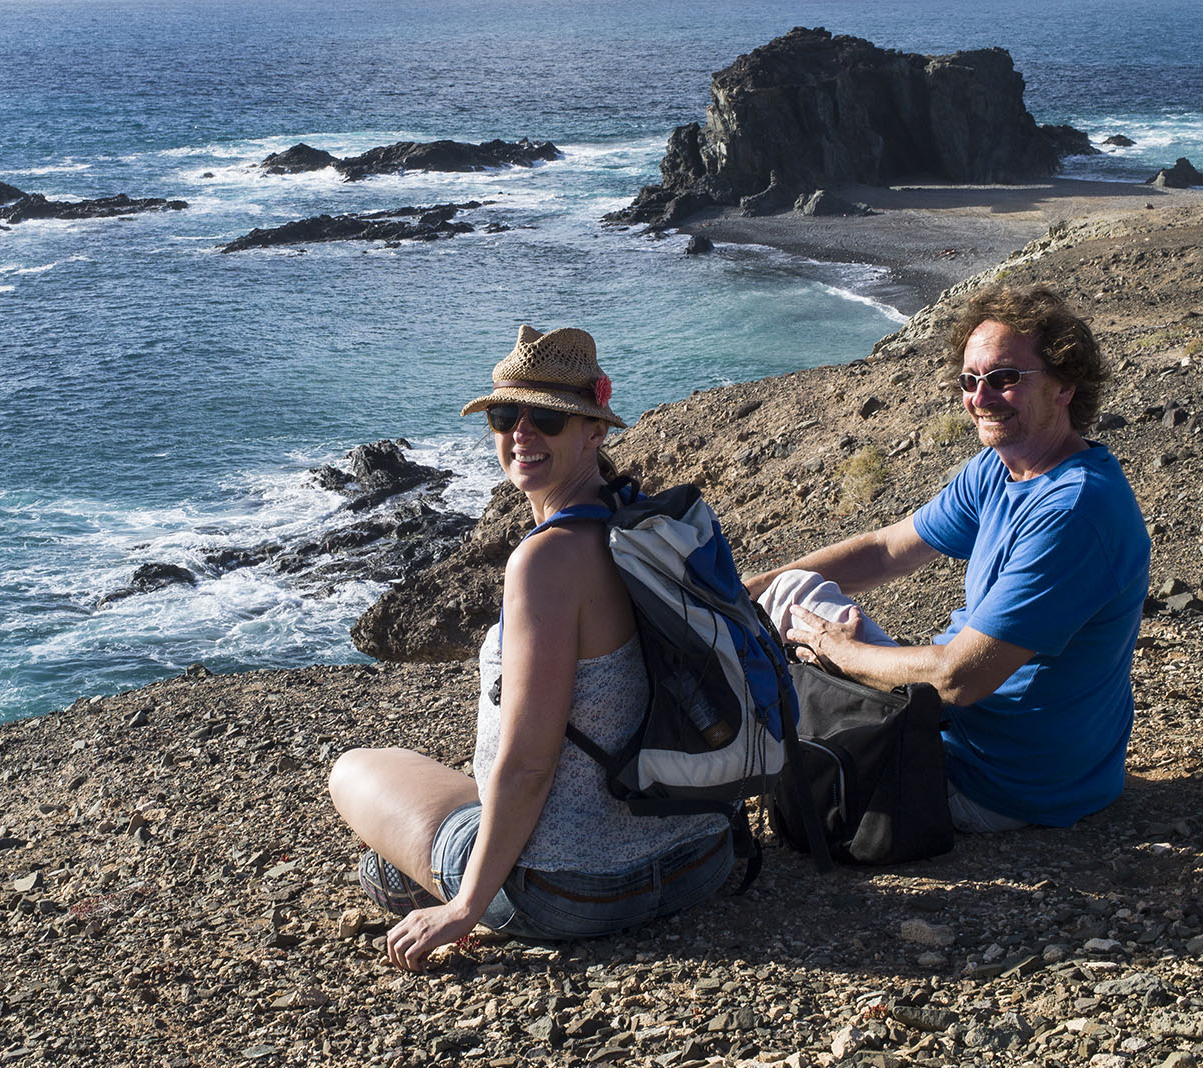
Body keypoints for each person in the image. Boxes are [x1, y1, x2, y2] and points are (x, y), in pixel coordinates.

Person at [329, 325, 732, 971]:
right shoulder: (657, 528)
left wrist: (464, 909)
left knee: (354, 770)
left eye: (546, 417)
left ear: (594, 432)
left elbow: (527, 766)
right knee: (407, 836)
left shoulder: (546, 562)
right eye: (504, 414)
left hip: (579, 890)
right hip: (704, 857)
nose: (521, 432)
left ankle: (460, 889)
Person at [744, 283, 1150, 833]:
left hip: (998, 780)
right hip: (975, 732)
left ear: (1064, 386)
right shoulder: (1003, 466)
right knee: (782, 595)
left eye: (1005, 379)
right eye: (970, 380)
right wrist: (752, 586)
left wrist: (842, 652)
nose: (981, 398)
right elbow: (888, 550)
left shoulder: (1074, 510)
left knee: (779, 651)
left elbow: (960, 677)